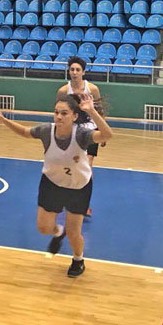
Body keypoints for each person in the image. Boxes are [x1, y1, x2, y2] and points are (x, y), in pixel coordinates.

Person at [0, 94, 112, 277]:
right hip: (52, 183)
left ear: (74, 116)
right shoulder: (47, 131)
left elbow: (107, 135)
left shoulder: (81, 135)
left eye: (64, 113)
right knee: (44, 228)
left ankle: (78, 260)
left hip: (78, 187)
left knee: (74, 232)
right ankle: (58, 232)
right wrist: (2, 118)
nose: (59, 117)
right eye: (56, 113)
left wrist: (92, 111)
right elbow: (25, 132)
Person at [56, 57, 103, 218]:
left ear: (83, 72)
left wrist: (102, 132)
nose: (75, 72)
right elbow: (58, 112)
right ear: (68, 71)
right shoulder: (63, 91)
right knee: (70, 166)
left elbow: (100, 110)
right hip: (71, 132)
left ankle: (85, 203)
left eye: (78, 70)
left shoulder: (93, 89)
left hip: (90, 132)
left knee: (87, 166)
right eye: (72, 69)